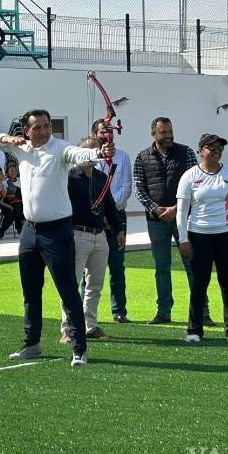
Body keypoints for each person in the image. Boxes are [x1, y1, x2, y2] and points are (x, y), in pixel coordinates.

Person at [0, 109, 116, 367]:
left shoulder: (60, 148)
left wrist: (100, 153)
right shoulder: (21, 149)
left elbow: (79, 154)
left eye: (47, 126)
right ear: (26, 131)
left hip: (57, 230)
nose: (44, 131)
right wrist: (7, 138)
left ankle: (79, 348)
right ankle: (32, 342)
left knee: (68, 290)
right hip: (29, 231)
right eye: (37, 127)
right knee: (31, 290)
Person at [133, 117, 214, 326]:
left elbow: (195, 183)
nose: (168, 135)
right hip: (156, 221)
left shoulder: (185, 152)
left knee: (193, 266)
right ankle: (163, 312)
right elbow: (139, 188)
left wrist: (177, 209)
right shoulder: (142, 157)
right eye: (163, 132)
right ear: (154, 134)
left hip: (184, 219)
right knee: (161, 268)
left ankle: (202, 312)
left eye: (170, 131)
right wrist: (156, 208)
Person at [176, 134, 228, 343]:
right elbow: (182, 211)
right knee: (200, 283)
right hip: (199, 235)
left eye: (219, 147)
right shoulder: (189, 176)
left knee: (227, 281)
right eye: (211, 147)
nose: (216, 150)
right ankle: (194, 330)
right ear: (200, 151)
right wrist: (183, 239)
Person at [59, 137, 125, 344]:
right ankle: (68, 329)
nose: (94, 154)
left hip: (99, 235)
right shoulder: (70, 177)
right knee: (71, 284)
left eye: (96, 150)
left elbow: (110, 205)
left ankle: (90, 325)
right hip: (77, 234)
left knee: (95, 284)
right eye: (89, 150)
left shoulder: (101, 176)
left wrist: (118, 229)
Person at [91, 118, 132, 324]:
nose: (107, 135)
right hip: (93, 219)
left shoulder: (123, 157)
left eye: (109, 131)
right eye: (102, 132)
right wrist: (100, 212)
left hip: (116, 217)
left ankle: (119, 311)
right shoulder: (89, 157)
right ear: (95, 135)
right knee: (88, 269)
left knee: (117, 267)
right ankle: (84, 311)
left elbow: (126, 187)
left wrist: (110, 211)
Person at [4, 163, 24, 234]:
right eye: (11, 171)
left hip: (22, 201)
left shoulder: (21, 180)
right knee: (17, 207)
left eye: (15, 171)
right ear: (7, 172)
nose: (14, 173)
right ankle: (19, 227)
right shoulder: (5, 182)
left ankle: (2, 230)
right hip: (10, 202)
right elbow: (7, 196)